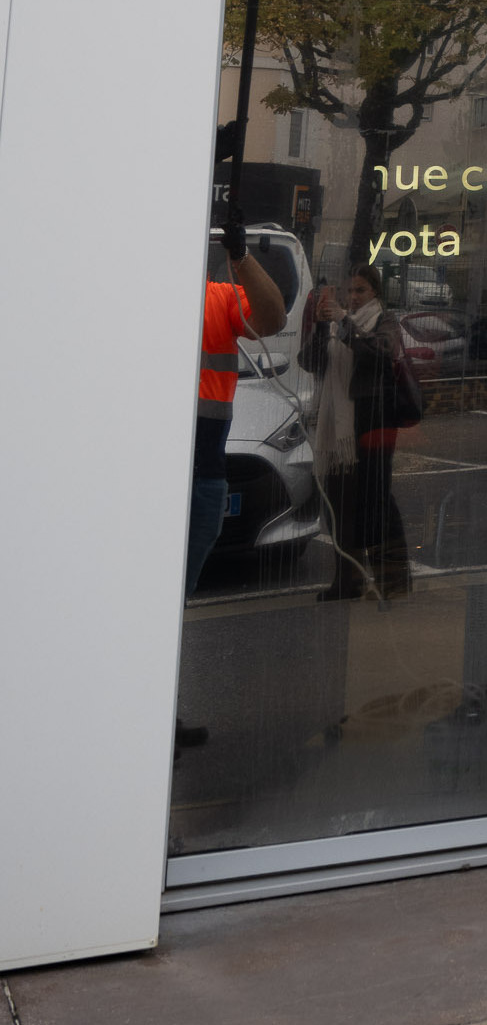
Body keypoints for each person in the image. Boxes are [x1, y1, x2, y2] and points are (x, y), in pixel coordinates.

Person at [179, 218, 288, 754]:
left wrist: (242, 257)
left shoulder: (217, 298)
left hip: (202, 477)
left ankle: (158, 715)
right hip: (157, 481)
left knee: (174, 602)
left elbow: (272, 318)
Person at [303, 261, 416, 600]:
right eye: (349, 291)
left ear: (375, 292)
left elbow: (378, 354)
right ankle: (347, 580)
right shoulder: (340, 327)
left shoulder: (385, 321)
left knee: (376, 502)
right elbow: (309, 362)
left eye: (360, 290)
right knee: (339, 503)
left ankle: (394, 579)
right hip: (340, 433)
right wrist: (323, 328)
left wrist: (342, 321)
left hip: (373, 426)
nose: (352, 297)